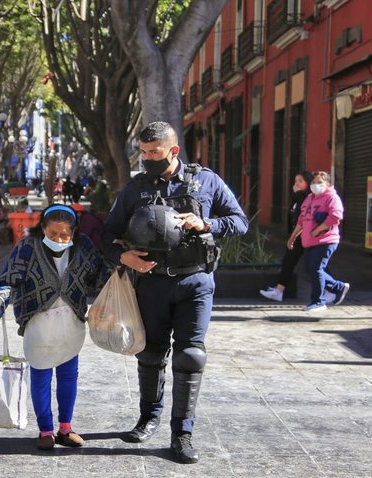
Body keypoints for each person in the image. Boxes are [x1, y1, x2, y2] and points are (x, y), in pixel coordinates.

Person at [101, 121, 248, 464]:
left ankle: (182, 432)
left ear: (173, 150)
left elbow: (240, 222)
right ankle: (148, 416)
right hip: (150, 284)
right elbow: (108, 234)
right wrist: (123, 256)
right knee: (150, 353)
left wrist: (206, 223)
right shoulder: (134, 189)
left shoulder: (207, 181)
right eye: (143, 152)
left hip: (194, 284)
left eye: (155, 152)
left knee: (190, 356)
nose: (148, 158)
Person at [0, 204, 110, 451]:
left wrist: (119, 267)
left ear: (74, 233)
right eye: (52, 235)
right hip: (39, 326)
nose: (58, 239)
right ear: (42, 229)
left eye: (64, 235)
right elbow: (8, 281)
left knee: (69, 377)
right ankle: (45, 430)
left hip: (70, 324)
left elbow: (100, 277)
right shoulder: (27, 248)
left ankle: (65, 428)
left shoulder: (84, 249)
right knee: (41, 377)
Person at [260, 171, 337, 303]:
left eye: (300, 181)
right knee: (290, 262)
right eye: (295, 181)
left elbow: (316, 214)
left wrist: (299, 194)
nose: (296, 184)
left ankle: (333, 289)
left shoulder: (310, 197)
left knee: (316, 265)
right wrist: (292, 236)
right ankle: (279, 291)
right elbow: (298, 218)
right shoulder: (298, 197)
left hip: (311, 236)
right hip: (300, 236)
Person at [286, 171, 350, 311]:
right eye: (313, 183)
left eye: (319, 183)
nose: (315, 185)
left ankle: (318, 301)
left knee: (316, 269)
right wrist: (293, 237)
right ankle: (338, 287)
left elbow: (335, 217)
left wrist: (318, 230)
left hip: (326, 240)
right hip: (310, 241)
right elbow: (301, 220)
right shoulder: (309, 198)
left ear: (328, 184)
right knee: (309, 269)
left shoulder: (332, 197)